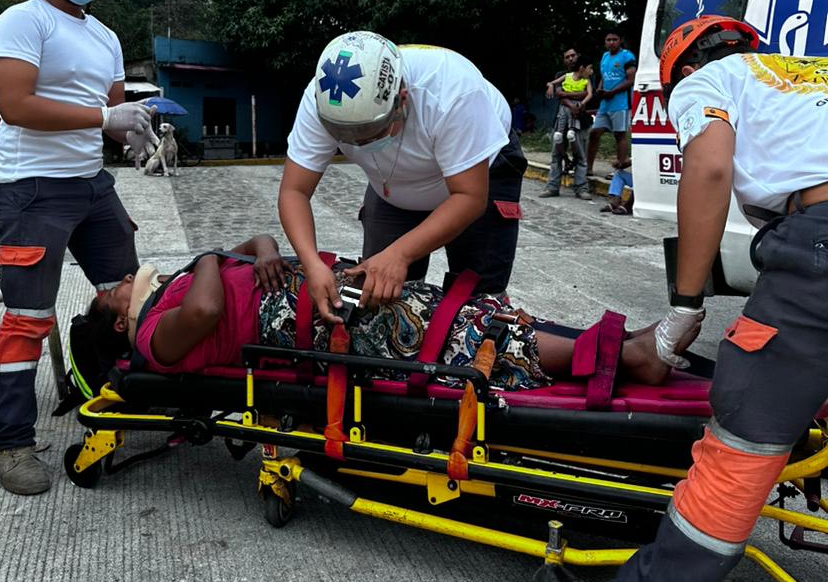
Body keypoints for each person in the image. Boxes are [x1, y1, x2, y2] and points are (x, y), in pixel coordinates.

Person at [535, 13, 828, 582]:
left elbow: (711, 169)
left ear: (683, 74)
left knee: (744, 439)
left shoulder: (712, 80)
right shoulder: (808, 78)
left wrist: (683, 309)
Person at [0, 0, 153, 496]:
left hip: (90, 185)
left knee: (134, 300)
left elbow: (107, 117)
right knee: (29, 317)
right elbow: (17, 105)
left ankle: (110, 395)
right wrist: (107, 115)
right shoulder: (22, 22)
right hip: (32, 189)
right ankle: (10, 444)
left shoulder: (105, 35)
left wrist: (132, 133)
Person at [72, 241, 678, 395]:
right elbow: (207, 309)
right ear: (121, 324)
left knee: (456, 311)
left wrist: (259, 254)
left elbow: (256, 241)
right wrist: (206, 258)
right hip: (305, 323)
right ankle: (626, 356)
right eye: (110, 296)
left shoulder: (171, 288)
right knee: (455, 338)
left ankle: (617, 347)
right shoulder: (154, 337)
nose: (120, 282)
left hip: (321, 292)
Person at [278, 32, 527, 325]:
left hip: (482, 169)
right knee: (377, 293)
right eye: (346, 139)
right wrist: (312, 264)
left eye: (370, 135)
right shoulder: (326, 98)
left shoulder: (453, 91)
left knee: (479, 300)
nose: (358, 146)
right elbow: (294, 191)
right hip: (392, 187)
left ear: (402, 101)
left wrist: (400, 253)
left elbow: (470, 197)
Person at [540, 52, 593, 200]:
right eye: (567, 57)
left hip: (581, 120)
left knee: (581, 155)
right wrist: (573, 104)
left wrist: (568, 95)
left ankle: (581, 188)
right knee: (556, 154)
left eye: (573, 56)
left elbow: (587, 93)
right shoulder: (562, 74)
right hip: (562, 118)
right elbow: (559, 94)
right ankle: (552, 187)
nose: (571, 59)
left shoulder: (588, 73)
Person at [586, 28, 636, 176]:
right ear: (605, 42)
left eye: (614, 39)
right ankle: (588, 168)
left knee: (619, 135)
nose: (611, 42)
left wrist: (612, 92)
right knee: (594, 133)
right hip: (605, 103)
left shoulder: (627, 56)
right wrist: (600, 89)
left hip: (621, 103)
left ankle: (619, 169)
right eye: (609, 40)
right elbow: (604, 76)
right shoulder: (605, 57)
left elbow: (630, 80)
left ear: (620, 41)